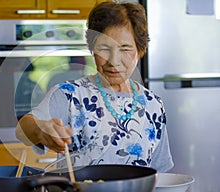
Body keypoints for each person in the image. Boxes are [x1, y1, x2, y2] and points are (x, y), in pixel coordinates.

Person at [16, 1, 174, 172]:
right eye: (104, 48)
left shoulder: (153, 105)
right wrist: (41, 131)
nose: (114, 61)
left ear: (140, 50)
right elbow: (22, 129)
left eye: (125, 49)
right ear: (92, 49)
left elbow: (159, 174)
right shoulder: (69, 95)